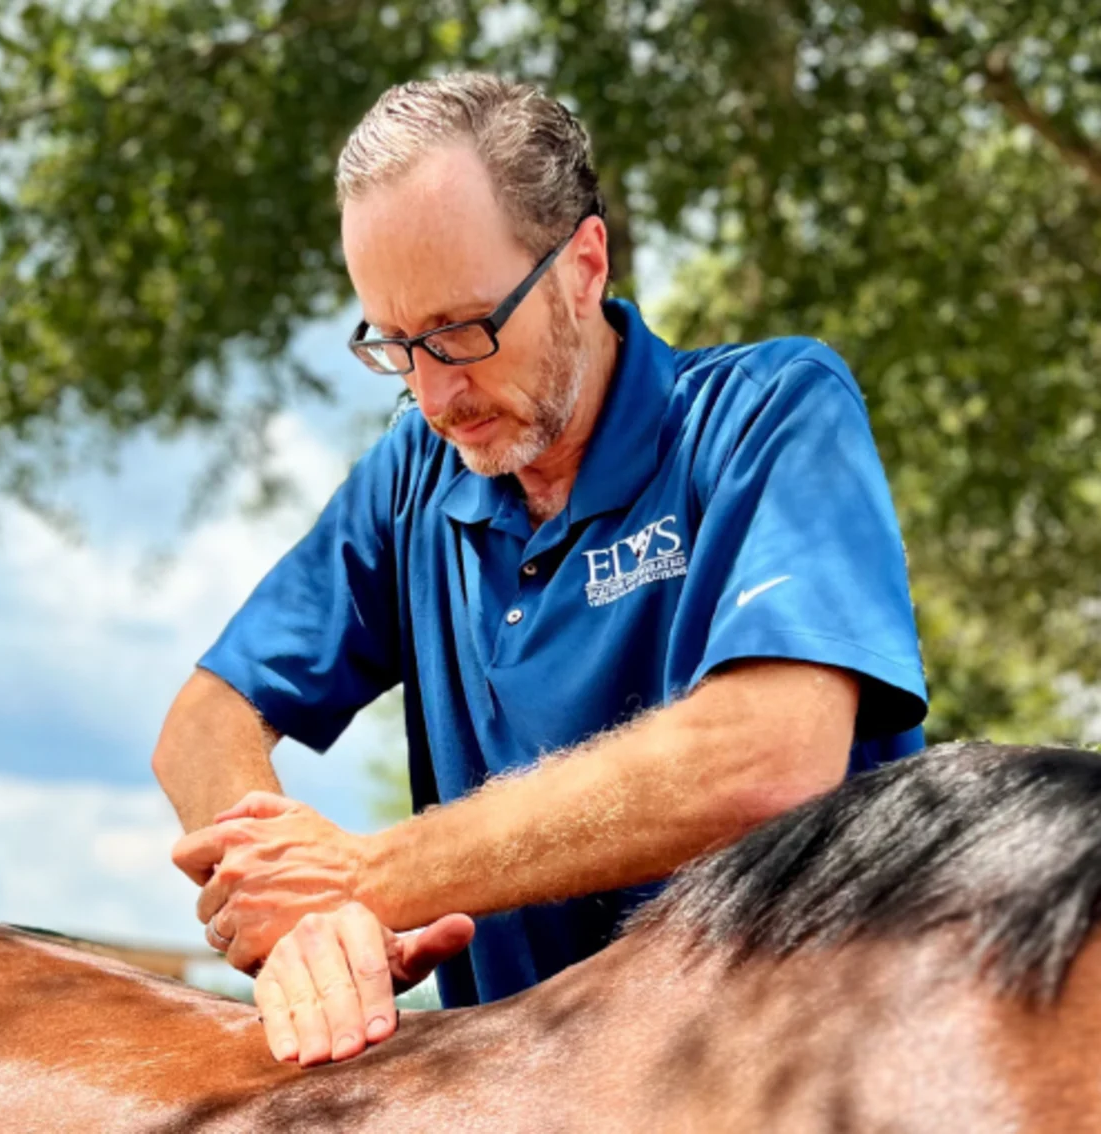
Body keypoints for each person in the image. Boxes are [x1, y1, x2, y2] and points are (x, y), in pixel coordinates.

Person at [151, 73, 928, 1068]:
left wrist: (371, 875)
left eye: (465, 330)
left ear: (582, 267)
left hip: (796, 1083)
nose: (436, 394)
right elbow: (206, 720)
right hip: (520, 1093)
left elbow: (768, 758)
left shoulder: (770, 413)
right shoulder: (413, 479)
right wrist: (303, 918)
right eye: (396, 344)